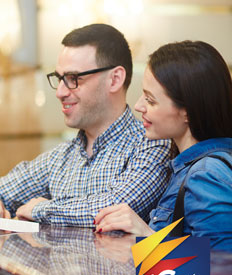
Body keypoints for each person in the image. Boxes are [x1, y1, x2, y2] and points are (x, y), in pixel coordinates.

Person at [0, 24, 171, 226]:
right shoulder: (60, 158)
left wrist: (40, 209)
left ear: (115, 79)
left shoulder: (151, 144)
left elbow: (115, 208)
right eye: (59, 79)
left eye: (73, 79)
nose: (60, 92)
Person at [94, 41, 232, 251]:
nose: (139, 106)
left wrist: (147, 236)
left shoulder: (206, 174)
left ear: (187, 111)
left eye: (150, 100)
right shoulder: (188, 165)